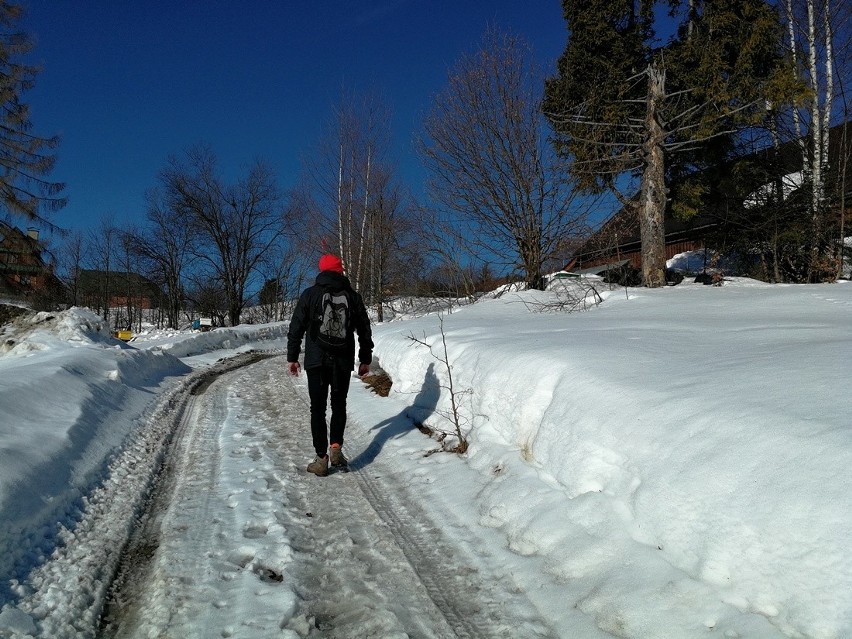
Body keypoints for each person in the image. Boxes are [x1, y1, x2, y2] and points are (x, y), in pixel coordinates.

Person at [287, 254, 373, 476]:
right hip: (342, 361)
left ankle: (321, 459)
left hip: (316, 360)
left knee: (317, 408)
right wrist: (365, 358)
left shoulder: (310, 294)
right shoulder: (353, 297)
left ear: (322, 271)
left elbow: (296, 327)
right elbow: (364, 328)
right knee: (339, 405)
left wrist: (292, 357)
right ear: (340, 271)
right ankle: (336, 448)